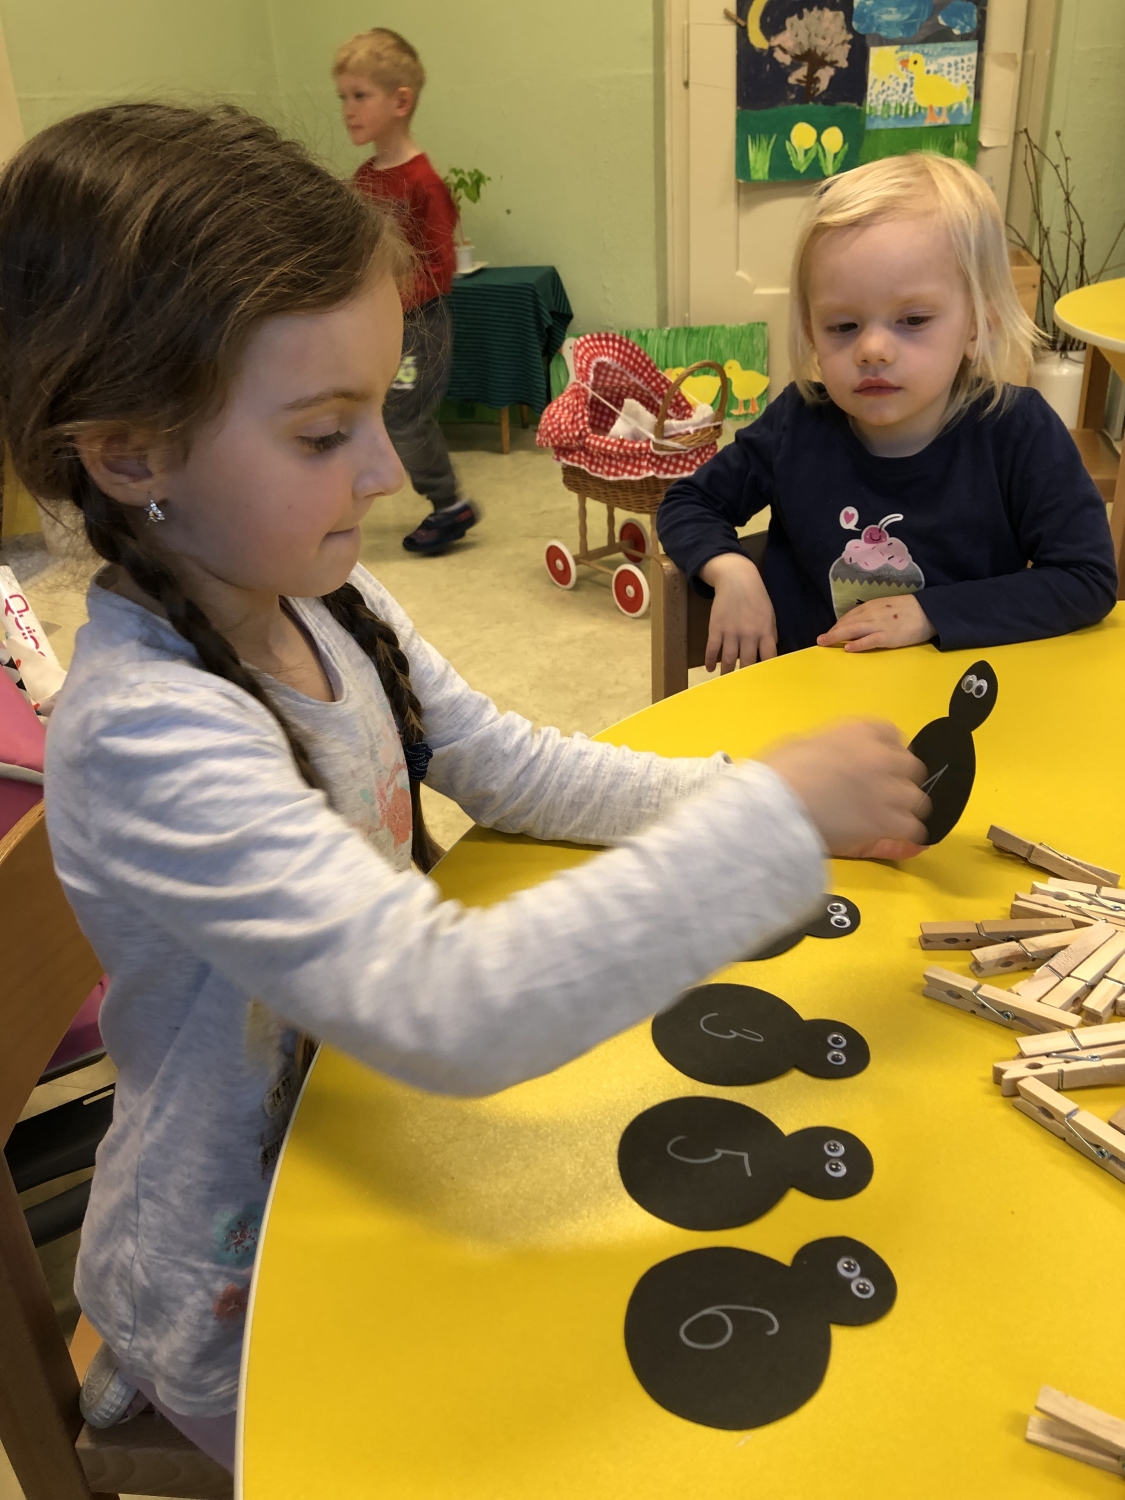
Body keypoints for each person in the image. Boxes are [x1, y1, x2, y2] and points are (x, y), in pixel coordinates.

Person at [0, 104, 927, 1471]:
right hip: (240, 1288)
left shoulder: (321, 595)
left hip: (369, 1142)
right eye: (324, 433)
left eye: (378, 411)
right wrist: (767, 824)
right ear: (132, 454)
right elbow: (449, 1007)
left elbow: (508, 763)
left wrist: (734, 782)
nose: (385, 472)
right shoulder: (149, 736)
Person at [657, 153, 1118, 674]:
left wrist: (930, 613)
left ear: (976, 326)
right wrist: (732, 570)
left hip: (962, 701)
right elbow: (688, 502)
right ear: (811, 332)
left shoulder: (1018, 430)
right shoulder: (796, 422)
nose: (872, 350)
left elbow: (1086, 577)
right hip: (809, 701)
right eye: (843, 326)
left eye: (913, 320)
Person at [334, 27, 478, 555]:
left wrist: (388, 302)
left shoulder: (423, 183)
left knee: (403, 416)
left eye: (360, 95)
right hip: (378, 324)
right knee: (363, 407)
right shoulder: (365, 178)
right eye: (343, 97)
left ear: (400, 102)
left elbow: (439, 267)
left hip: (419, 327)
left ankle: (450, 504)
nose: (348, 110)